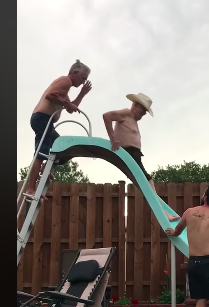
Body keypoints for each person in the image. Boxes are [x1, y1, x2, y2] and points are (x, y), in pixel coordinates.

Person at [102, 93, 180, 222]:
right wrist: (113, 139)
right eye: (142, 112)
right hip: (129, 153)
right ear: (135, 105)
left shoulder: (132, 119)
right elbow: (107, 116)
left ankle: (164, 212)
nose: (142, 115)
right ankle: (165, 214)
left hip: (135, 155)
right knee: (148, 182)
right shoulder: (126, 113)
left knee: (146, 185)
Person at [25, 60, 93, 199]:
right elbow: (50, 95)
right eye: (83, 78)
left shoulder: (66, 91)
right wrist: (66, 103)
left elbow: (70, 109)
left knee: (62, 147)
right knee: (41, 152)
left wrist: (82, 94)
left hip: (45, 121)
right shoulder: (65, 81)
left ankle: (45, 168)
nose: (83, 81)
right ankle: (31, 189)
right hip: (42, 118)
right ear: (75, 73)